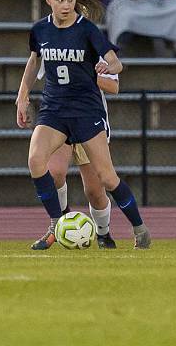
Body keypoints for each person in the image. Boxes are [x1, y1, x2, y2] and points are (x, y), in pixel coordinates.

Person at [16, 0, 152, 251]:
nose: (66, 5)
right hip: (54, 110)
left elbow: (117, 65)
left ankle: (139, 229)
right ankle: (57, 223)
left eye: (71, 0)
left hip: (86, 111)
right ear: (48, 1)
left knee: (105, 179)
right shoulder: (40, 30)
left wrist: (108, 67)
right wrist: (22, 96)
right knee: (36, 161)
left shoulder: (87, 30)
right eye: (61, 0)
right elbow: (34, 61)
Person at [40, 57, 121, 249]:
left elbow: (113, 86)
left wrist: (85, 75)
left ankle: (103, 233)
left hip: (89, 122)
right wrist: (23, 94)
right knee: (54, 173)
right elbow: (35, 68)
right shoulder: (50, 43)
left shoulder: (96, 46)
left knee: (94, 191)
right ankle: (60, 223)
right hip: (59, 120)